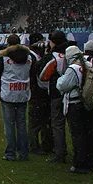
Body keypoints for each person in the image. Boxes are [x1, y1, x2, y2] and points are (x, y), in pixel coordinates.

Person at [0, 35, 33, 161]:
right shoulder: (29, 57)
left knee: (9, 126)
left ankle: (10, 153)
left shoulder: (4, 58)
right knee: (22, 125)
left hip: (8, 94)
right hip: (23, 93)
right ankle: (23, 153)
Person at [56, 45, 93, 174]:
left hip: (75, 103)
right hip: (87, 103)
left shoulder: (73, 68)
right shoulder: (89, 65)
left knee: (78, 135)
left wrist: (60, 78)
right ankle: (90, 161)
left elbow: (62, 85)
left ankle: (80, 163)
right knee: (88, 133)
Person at [39, 30, 70, 163]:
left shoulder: (54, 56)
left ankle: (60, 153)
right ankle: (81, 153)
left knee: (57, 124)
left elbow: (43, 75)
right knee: (75, 125)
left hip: (57, 93)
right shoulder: (71, 53)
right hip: (72, 92)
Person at [27, 33, 53, 156]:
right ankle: (34, 145)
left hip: (40, 91)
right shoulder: (31, 56)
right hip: (36, 91)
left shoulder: (36, 56)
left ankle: (45, 144)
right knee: (36, 122)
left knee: (44, 120)